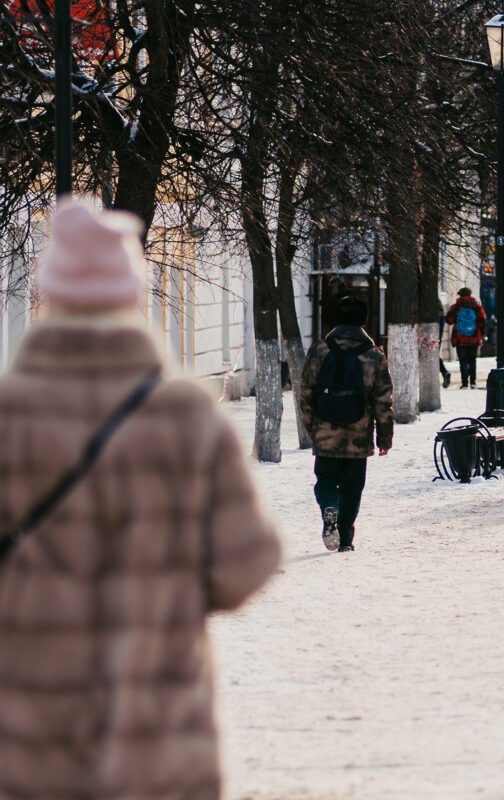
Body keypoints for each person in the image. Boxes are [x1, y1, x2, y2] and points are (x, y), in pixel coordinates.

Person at [0, 199, 281, 800]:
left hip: (29, 733)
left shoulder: (10, 416)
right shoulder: (184, 417)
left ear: (52, 299)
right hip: (158, 738)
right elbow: (245, 562)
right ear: (131, 297)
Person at [299, 294, 394, 551]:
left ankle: (329, 506)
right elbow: (383, 401)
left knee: (326, 480)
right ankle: (345, 540)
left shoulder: (319, 351)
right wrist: (385, 438)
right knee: (353, 488)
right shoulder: (374, 356)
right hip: (358, 436)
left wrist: (313, 428)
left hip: (326, 431)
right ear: (363, 321)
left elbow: (306, 393)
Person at [446, 287, 486, 389]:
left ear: (460, 295)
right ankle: (473, 383)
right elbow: (483, 320)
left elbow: (449, 320)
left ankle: (464, 384)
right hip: (473, 338)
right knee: (472, 361)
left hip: (460, 339)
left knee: (463, 361)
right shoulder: (476, 306)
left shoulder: (456, 306)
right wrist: (480, 335)